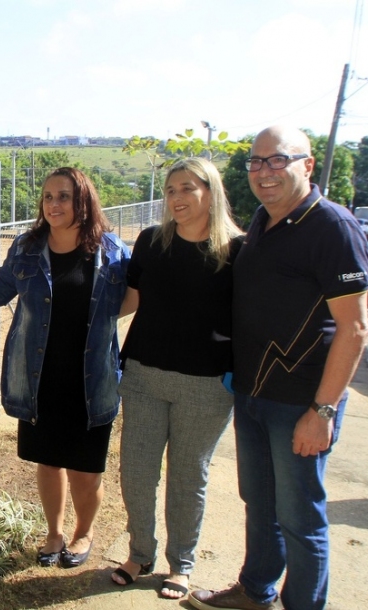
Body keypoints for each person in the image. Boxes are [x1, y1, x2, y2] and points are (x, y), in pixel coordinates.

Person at [189, 127, 368, 610]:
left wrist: (323, 410)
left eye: (277, 160)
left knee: (299, 517)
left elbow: (354, 329)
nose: (264, 172)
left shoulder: (332, 226)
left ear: (306, 166)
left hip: (302, 402)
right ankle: (255, 590)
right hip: (252, 396)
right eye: (256, 162)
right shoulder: (264, 222)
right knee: (260, 505)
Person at [0, 166, 129, 569]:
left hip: (91, 380)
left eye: (64, 196)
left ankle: (83, 532)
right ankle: (53, 532)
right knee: (49, 462)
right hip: (38, 377)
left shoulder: (112, 250)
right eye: (48, 196)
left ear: (83, 200)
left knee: (86, 470)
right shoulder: (28, 247)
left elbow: (132, 297)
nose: (54, 204)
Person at [111, 158, 243, 599]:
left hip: (206, 387)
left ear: (211, 191)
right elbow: (129, 299)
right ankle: (139, 553)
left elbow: (250, 319)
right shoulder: (151, 241)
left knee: (188, 477)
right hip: (145, 375)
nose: (176, 198)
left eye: (186, 188)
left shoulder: (239, 250)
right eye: (170, 190)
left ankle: (181, 564)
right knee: (137, 472)